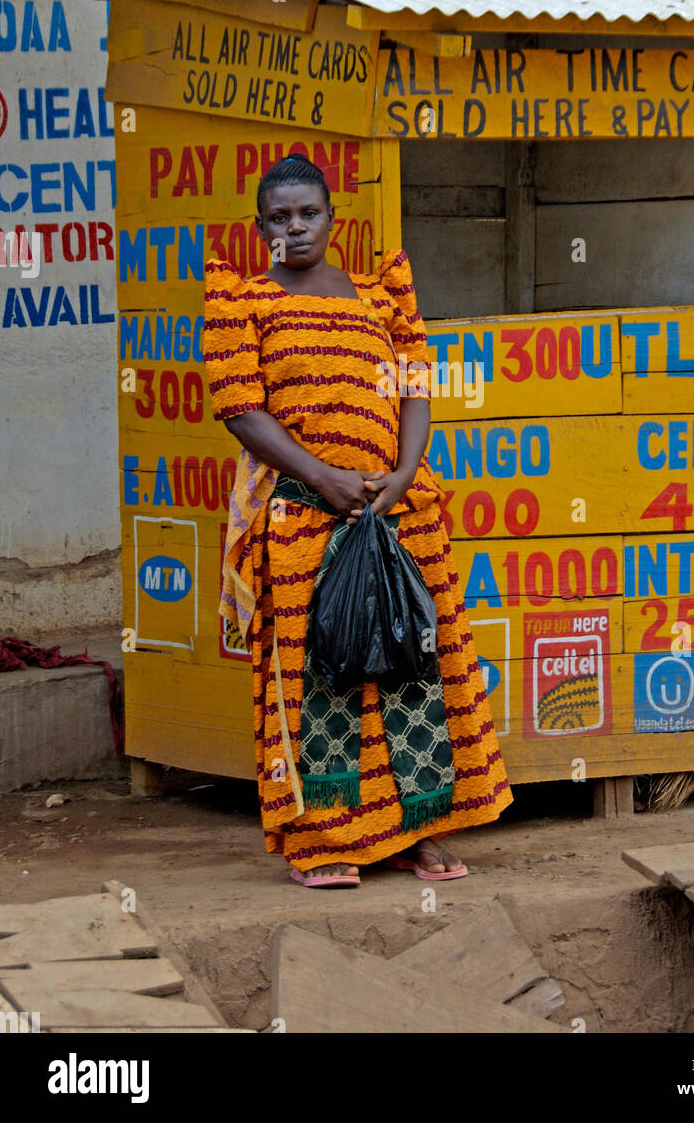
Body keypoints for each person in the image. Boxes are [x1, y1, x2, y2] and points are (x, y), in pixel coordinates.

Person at [203, 154, 512, 887]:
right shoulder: (242, 303)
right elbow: (240, 410)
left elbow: (413, 388)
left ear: (332, 217)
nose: (295, 227)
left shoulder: (379, 298)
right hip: (305, 523)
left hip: (400, 517)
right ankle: (327, 841)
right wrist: (322, 476)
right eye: (279, 217)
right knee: (324, 679)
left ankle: (419, 833)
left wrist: (402, 474)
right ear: (260, 228)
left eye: (308, 212)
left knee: (415, 673)